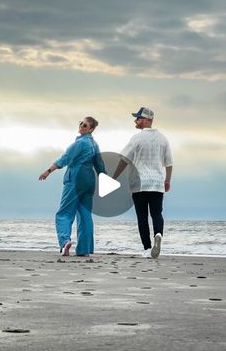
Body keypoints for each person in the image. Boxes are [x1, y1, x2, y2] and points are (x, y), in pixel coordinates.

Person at [39, 116, 106, 257]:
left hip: (75, 179)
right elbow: (100, 166)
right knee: (85, 214)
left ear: (91, 129)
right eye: (81, 123)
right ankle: (84, 249)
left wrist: (48, 171)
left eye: (85, 125)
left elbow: (64, 159)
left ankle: (65, 242)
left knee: (64, 213)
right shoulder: (95, 145)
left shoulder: (80, 143)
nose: (81, 126)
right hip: (89, 182)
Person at [113, 107, 173, 259]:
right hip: (157, 183)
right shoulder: (163, 139)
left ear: (146, 119)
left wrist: (114, 177)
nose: (136, 120)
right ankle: (158, 234)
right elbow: (169, 163)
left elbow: (124, 159)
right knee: (157, 214)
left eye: (138, 118)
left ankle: (147, 249)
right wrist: (167, 180)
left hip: (139, 184)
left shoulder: (136, 138)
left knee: (142, 216)